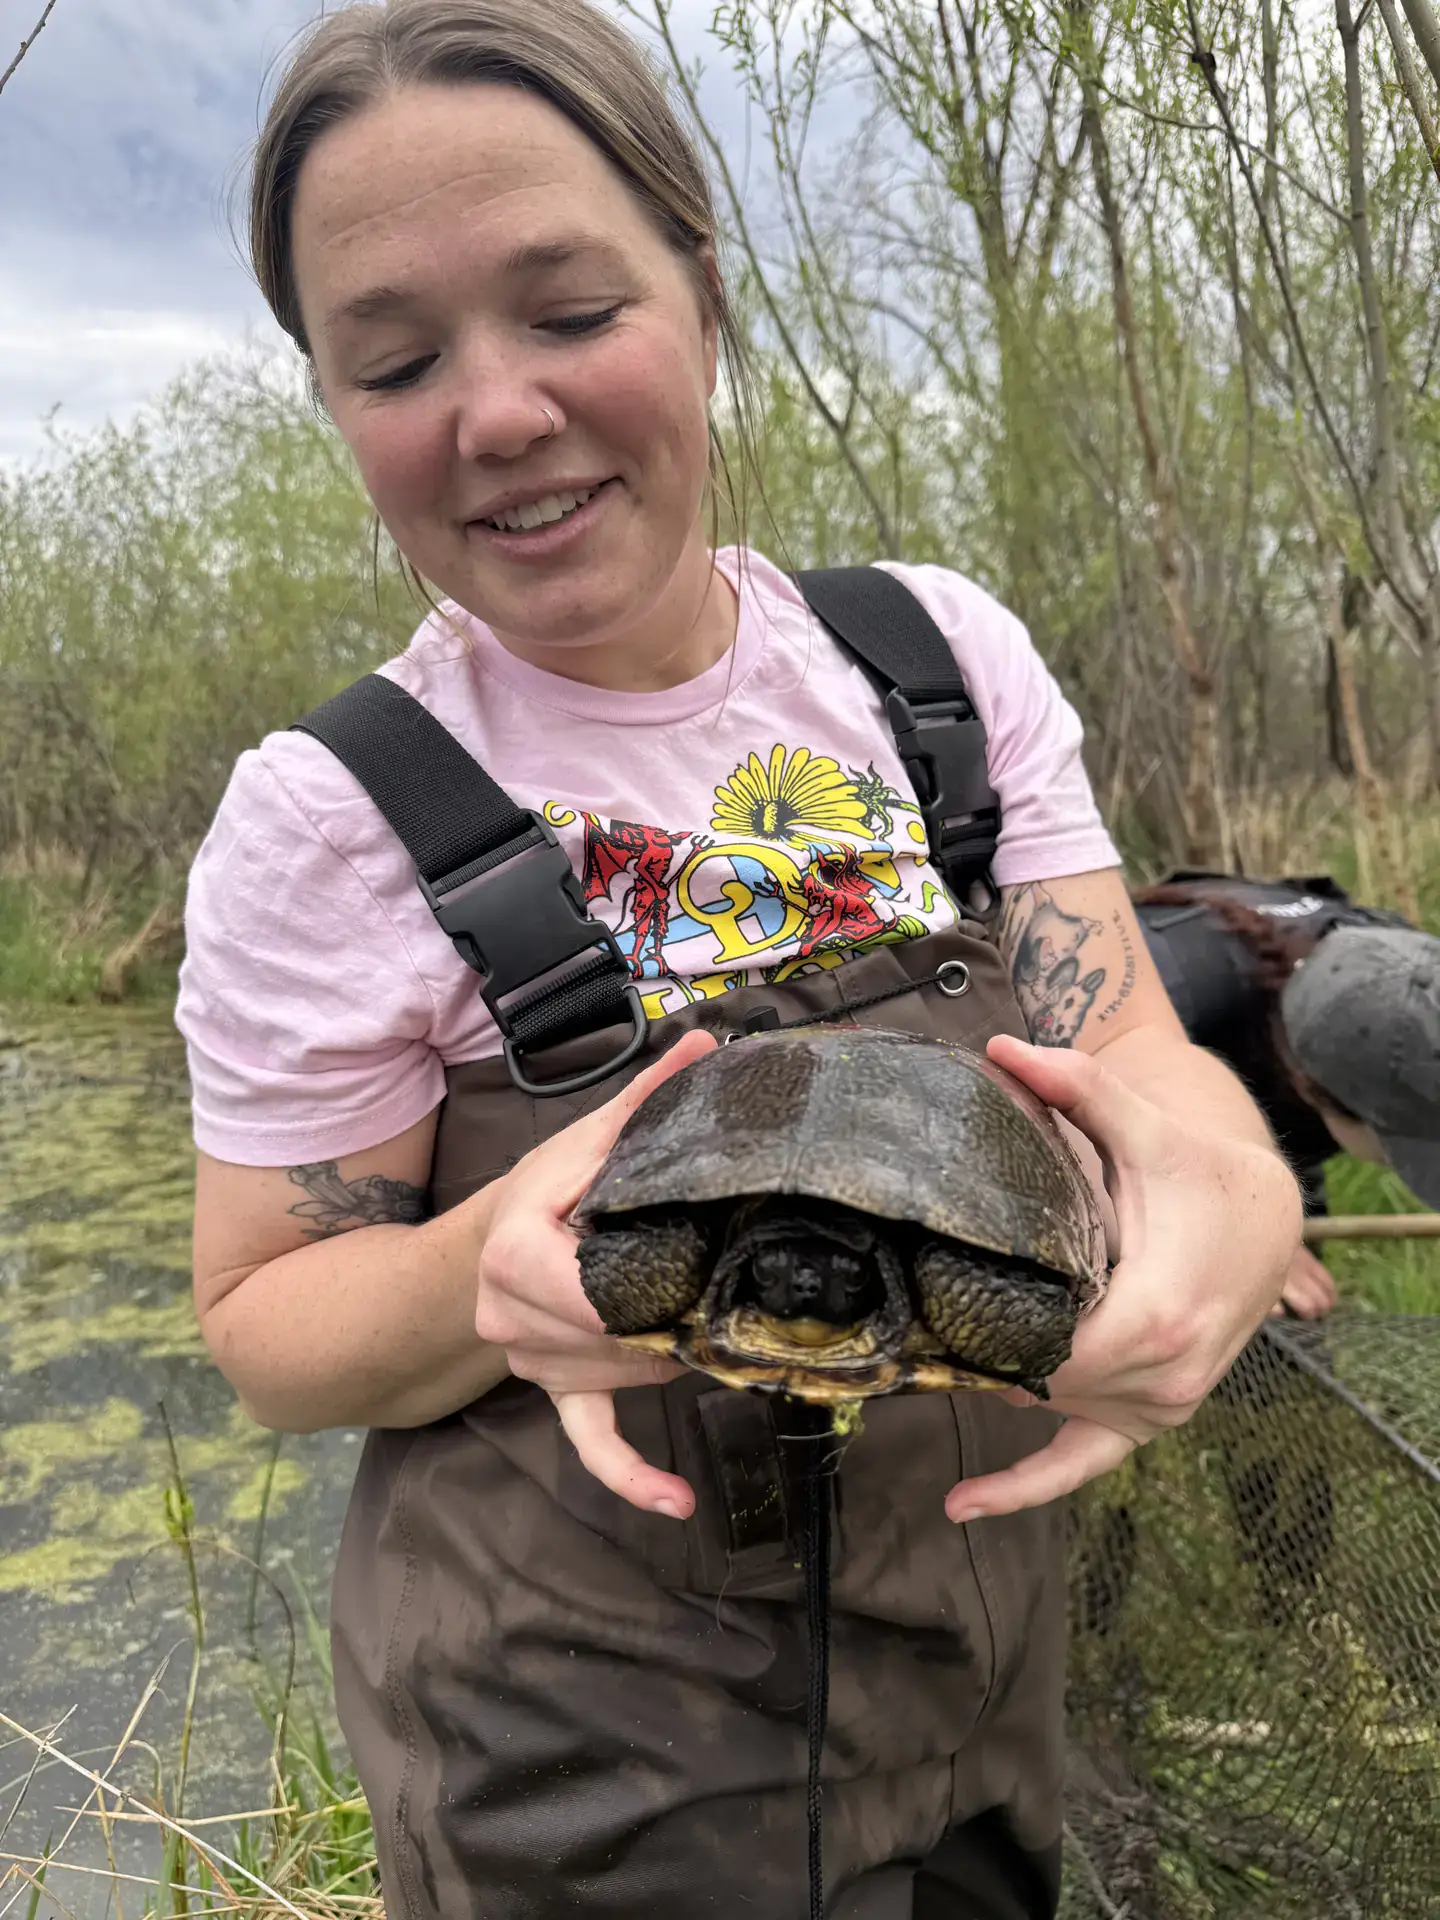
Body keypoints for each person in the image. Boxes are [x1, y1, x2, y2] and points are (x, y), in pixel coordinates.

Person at [175, 4, 1299, 1914]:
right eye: (395, 358)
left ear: (701, 289)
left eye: (566, 305)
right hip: (579, 1783)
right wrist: (482, 1268)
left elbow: (1149, 1064)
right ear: (336, 409)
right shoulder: (328, 818)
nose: (500, 410)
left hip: (979, 1698)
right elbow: (267, 1329)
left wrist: (1234, 1197)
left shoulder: (931, 672)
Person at [1133, 871, 1440, 1319]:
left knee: (1290, 1277)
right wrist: (1239, 1228)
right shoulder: (1166, 997)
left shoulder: (1416, 982)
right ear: (1313, 1089)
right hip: (1117, 1096)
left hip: (1278, 1072)